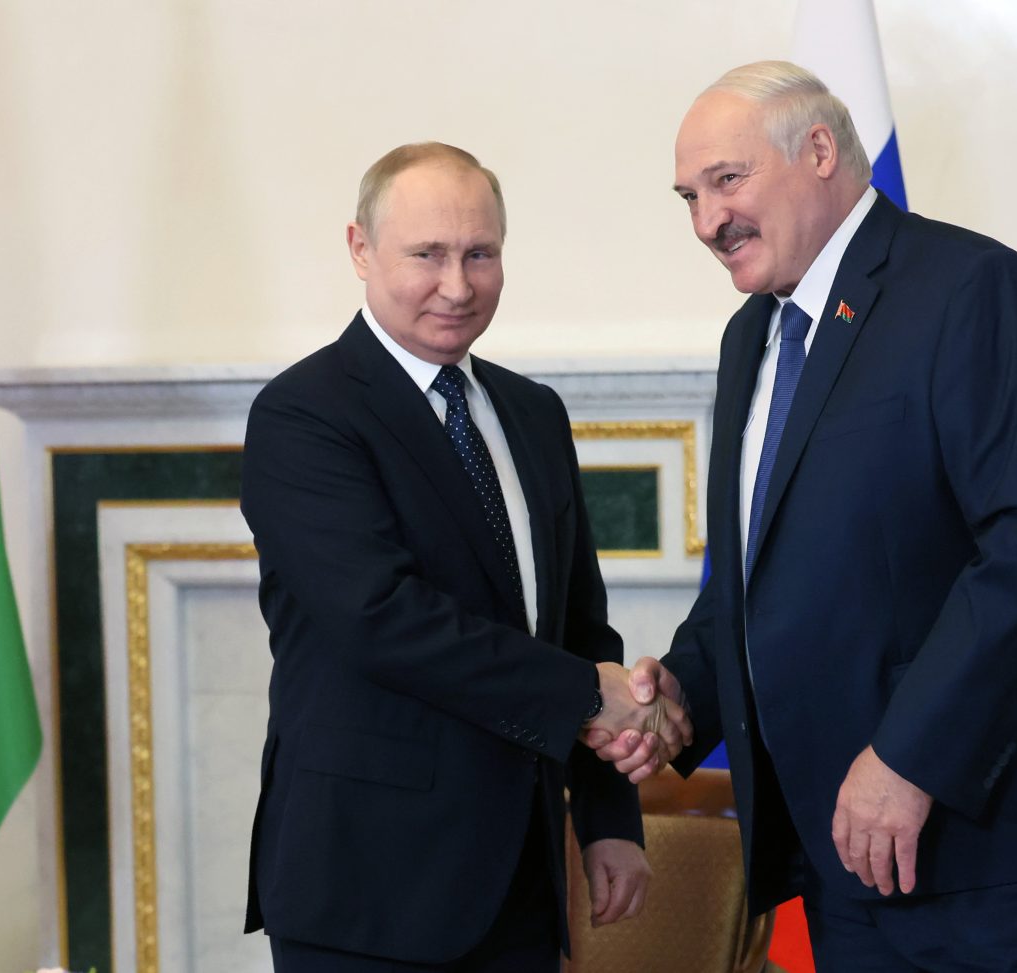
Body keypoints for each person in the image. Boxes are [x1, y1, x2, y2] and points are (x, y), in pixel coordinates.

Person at [589, 61, 1017, 970]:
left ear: (819, 150)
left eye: (727, 180)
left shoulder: (975, 290)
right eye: (689, 197)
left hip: (1011, 849)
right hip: (851, 860)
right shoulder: (753, 334)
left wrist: (910, 757)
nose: (708, 221)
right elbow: (759, 577)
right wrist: (680, 693)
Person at [240, 141, 690, 972]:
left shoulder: (532, 412)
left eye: (480, 253)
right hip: (366, 890)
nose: (457, 285)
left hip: (520, 882)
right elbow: (382, 619)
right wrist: (584, 695)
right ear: (360, 249)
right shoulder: (303, 415)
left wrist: (608, 818)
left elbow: (579, 625)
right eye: (428, 254)